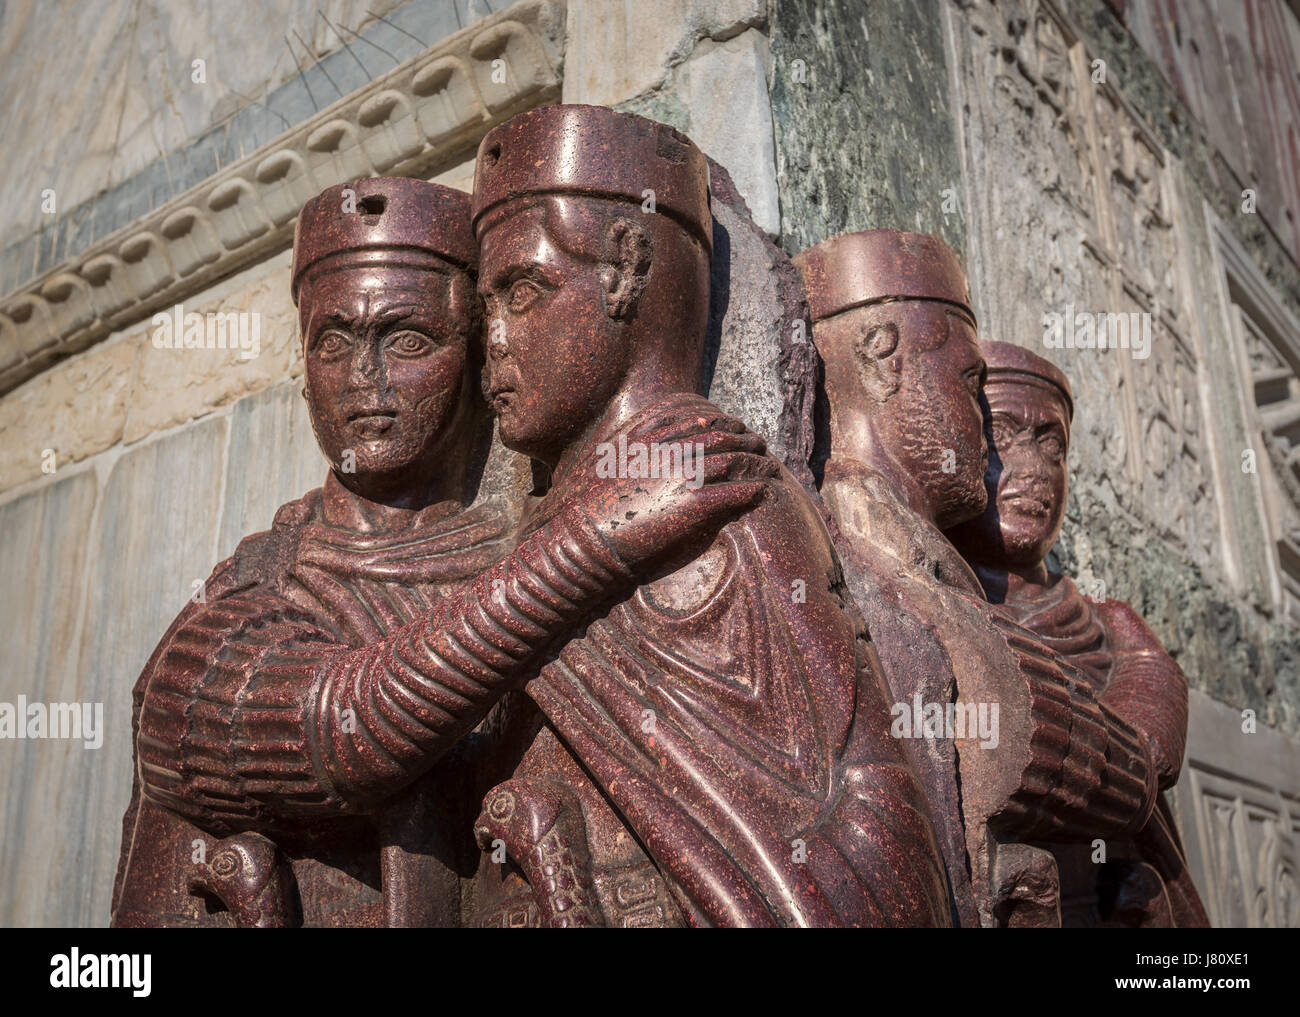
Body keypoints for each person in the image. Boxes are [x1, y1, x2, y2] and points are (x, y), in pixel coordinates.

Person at [945, 340, 1209, 926]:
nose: (1035, 469)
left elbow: (1152, 758)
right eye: (1002, 437)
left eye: (1053, 446)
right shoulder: (937, 604)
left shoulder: (1111, 624)